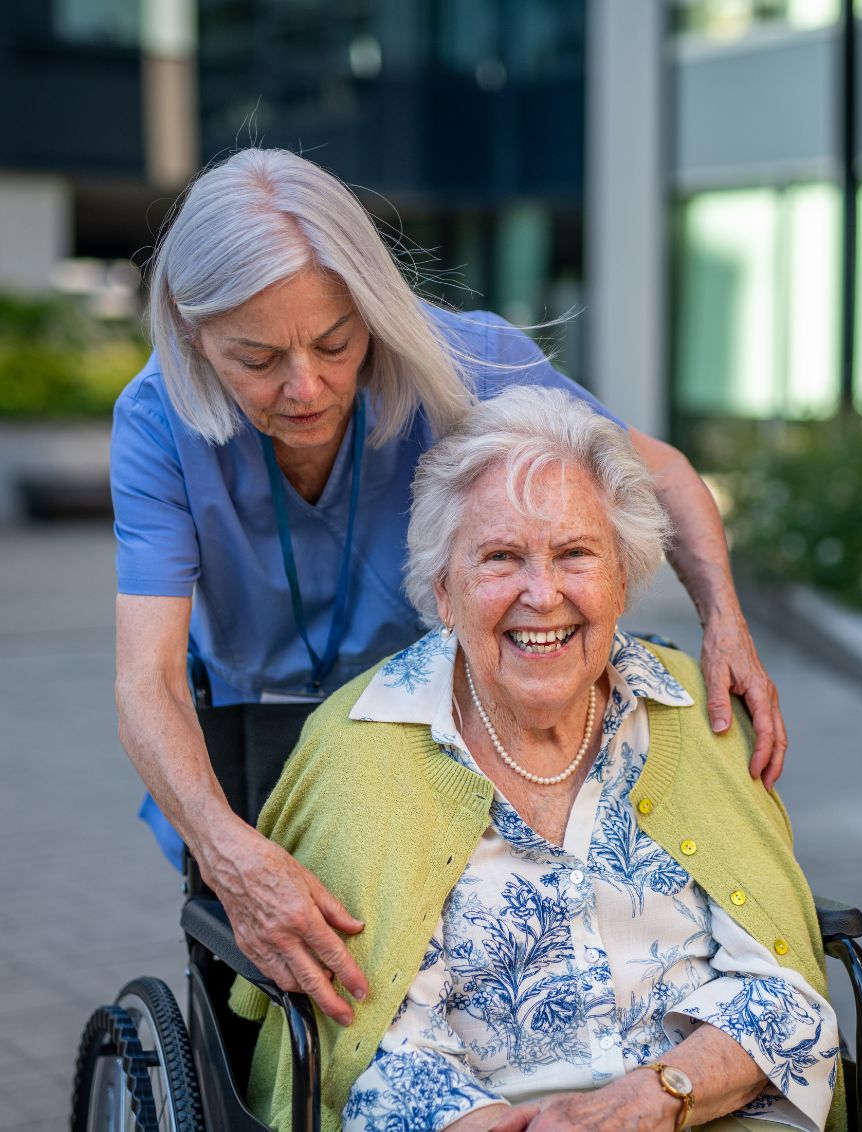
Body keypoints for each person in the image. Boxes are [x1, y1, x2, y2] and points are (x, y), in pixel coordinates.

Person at [111, 147, 787, 1026]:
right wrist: (228, 851)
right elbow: (147, 678)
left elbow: (661, 475)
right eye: (256, 359)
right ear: (193, 332)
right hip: (258, 732)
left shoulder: (459, 358)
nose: (305, 386)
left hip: (442, 724)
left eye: (335, 342)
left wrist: (724, 623)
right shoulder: (158, 420)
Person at [231, 387, 842, 1132]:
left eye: (575, 554)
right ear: (444, 591)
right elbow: (372, 1053)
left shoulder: (694, 710)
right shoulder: (359, 748)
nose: (542, 594)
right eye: (501, 557)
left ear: (623, 577)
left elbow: (785, 990)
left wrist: (653, 1100)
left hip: (697, 1109)